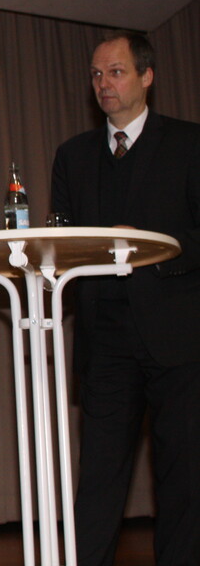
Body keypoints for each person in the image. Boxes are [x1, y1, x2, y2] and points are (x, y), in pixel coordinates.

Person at [51, 31, 200, 566]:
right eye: (96, 74)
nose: (103, 84)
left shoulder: (189, 144)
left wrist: (150, 249)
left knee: (183, 481)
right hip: (105, 341)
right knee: (98, 482)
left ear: (147, 77)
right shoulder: (72, 156)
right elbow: (60, 241)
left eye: (115, 72)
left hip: (178, 340)